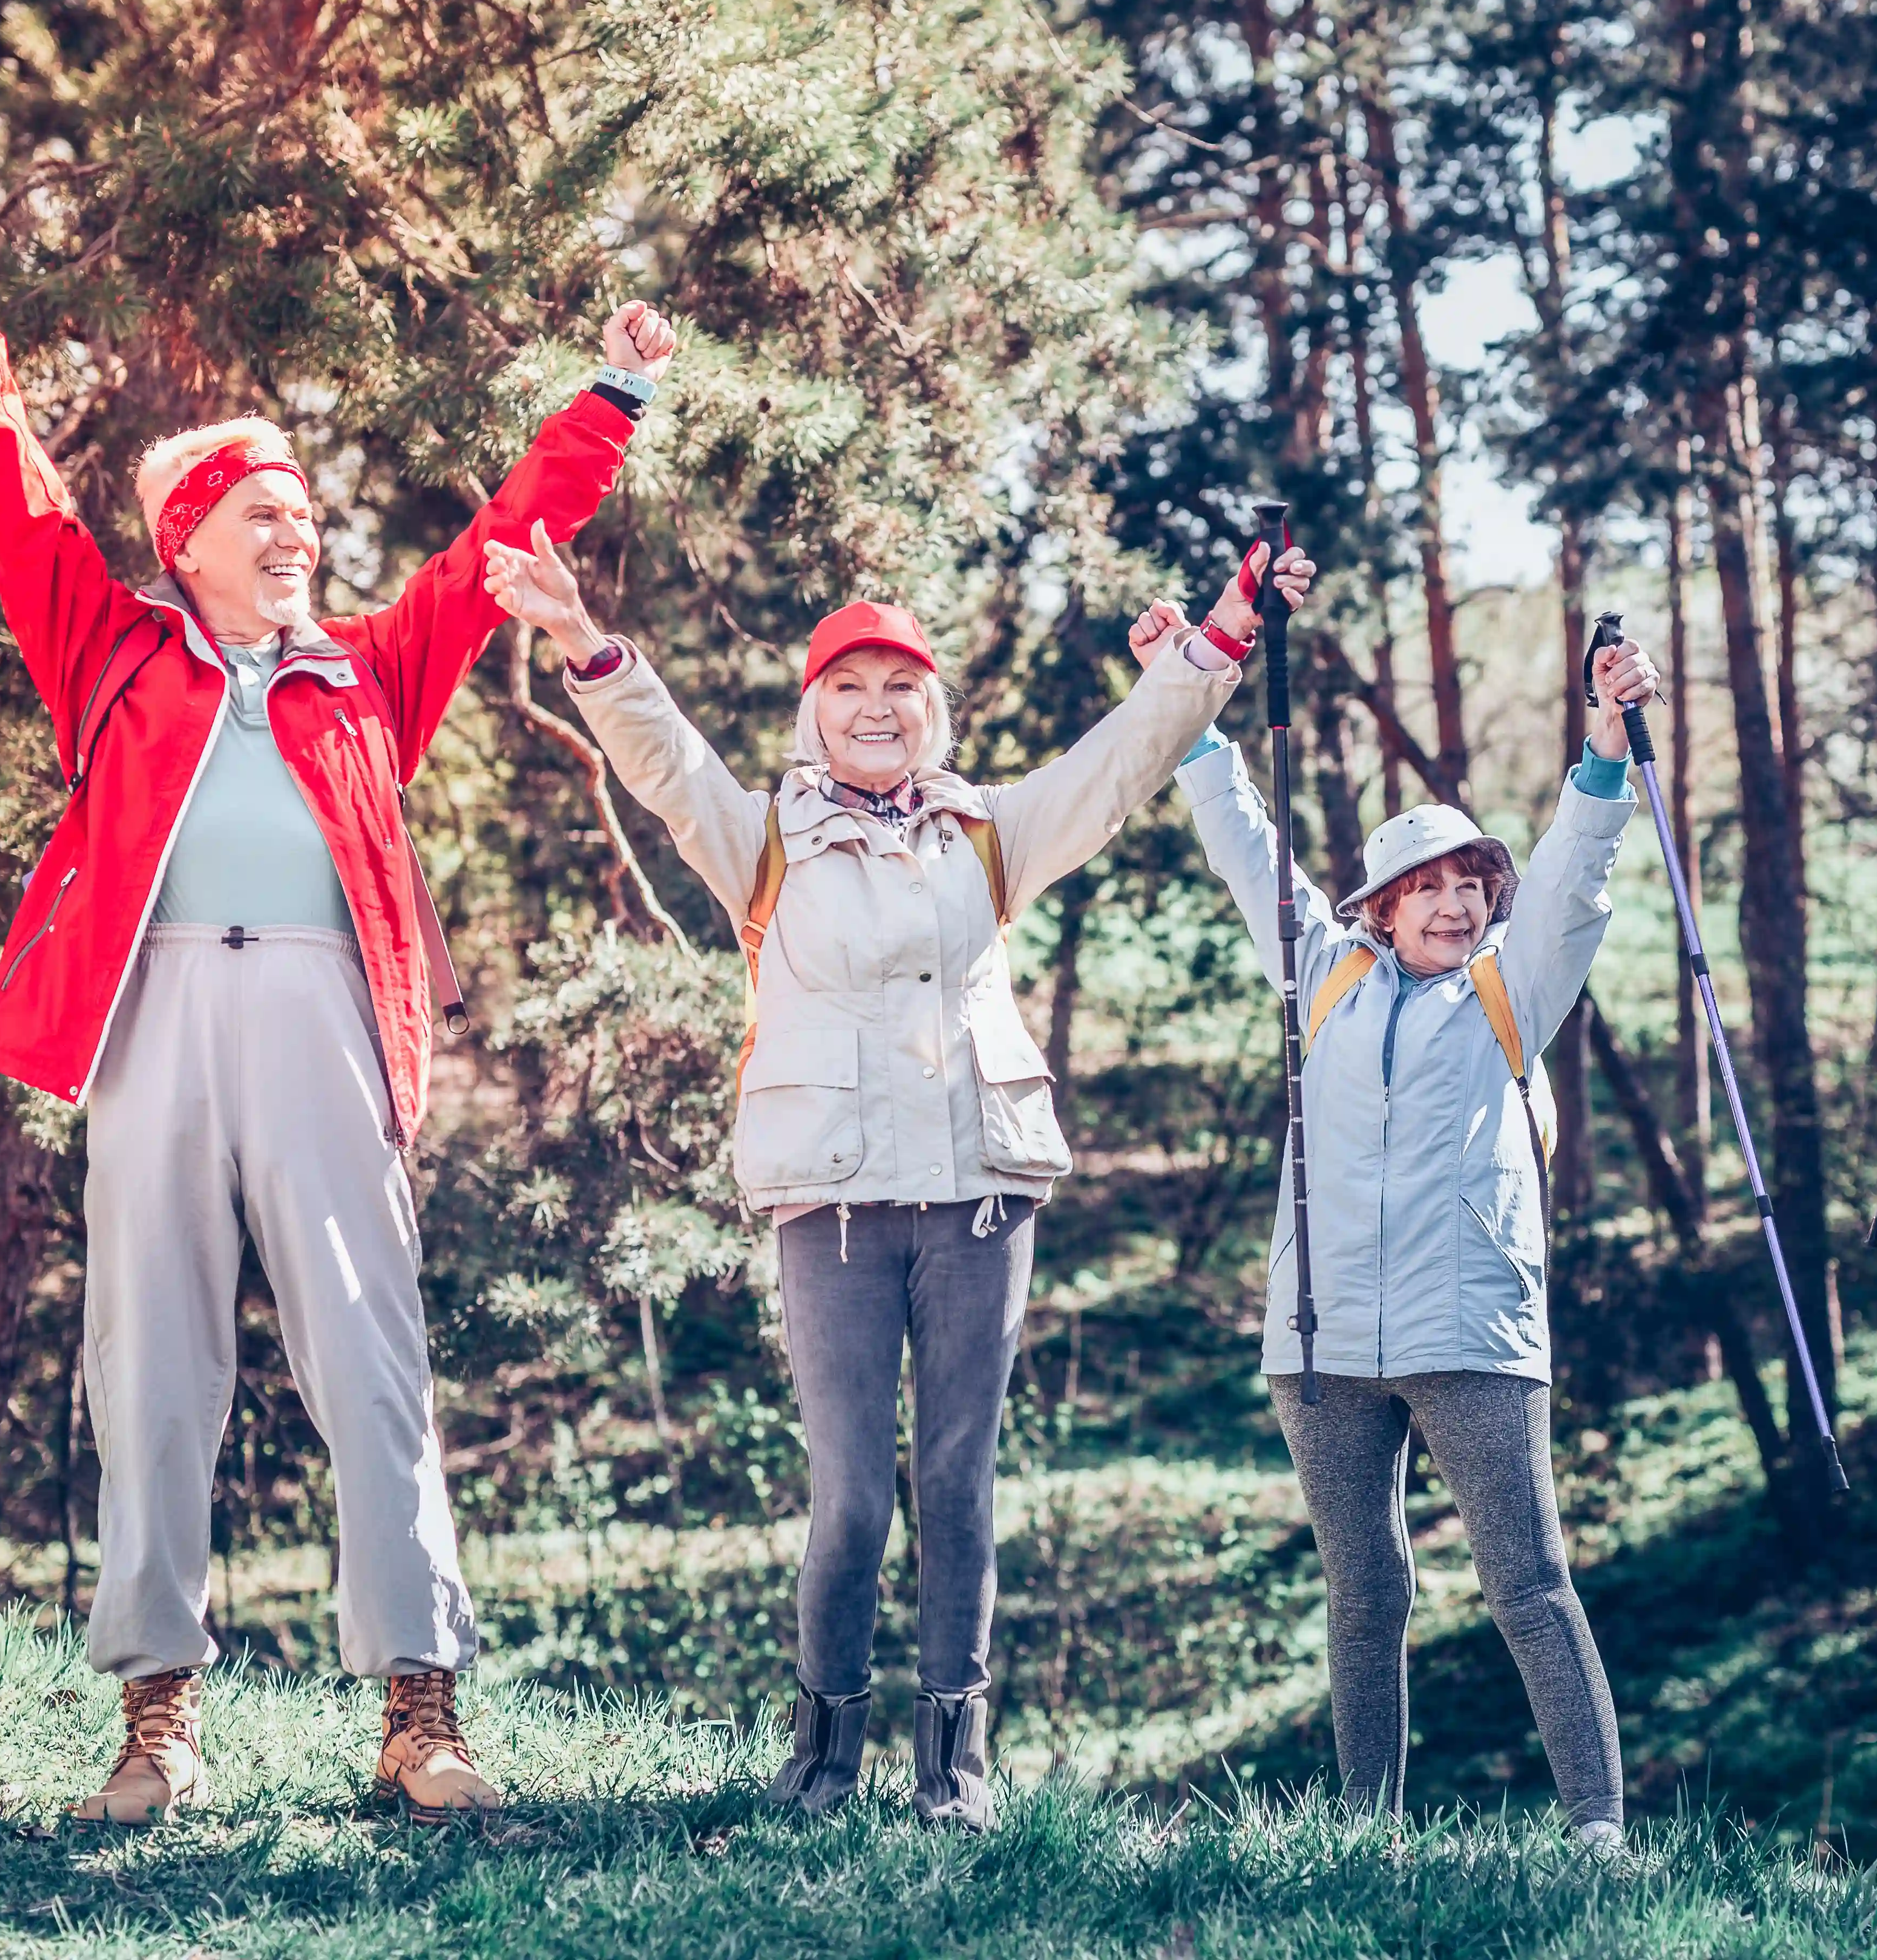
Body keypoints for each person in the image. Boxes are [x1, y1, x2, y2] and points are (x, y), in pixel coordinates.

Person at [0, 172, 676, 1827]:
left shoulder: (373, 666)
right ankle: (157, 1725)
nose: (297, 533)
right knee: (146, 1358)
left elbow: (508, 536)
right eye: (263, 515)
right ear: (189, 542)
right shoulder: (108, 649)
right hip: (150, 1018)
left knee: (370, 1353)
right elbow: (7, 490)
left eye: (306, 515)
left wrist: (612, 399)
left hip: (322, 1023)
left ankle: (420, 1715)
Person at [479, 517, 1312, 1832]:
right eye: (851, 691)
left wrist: (1226, 626)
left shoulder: (992, 832)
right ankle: (822, 1758)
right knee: (856, 1492)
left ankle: (955, 1768)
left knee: (960, 1483)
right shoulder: (758, 838)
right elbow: (658, 753)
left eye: (901, 691)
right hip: (838, 1209)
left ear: (935, 712)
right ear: (816, 717)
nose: (878, 710)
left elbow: (1123, 758)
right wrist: (580, 635)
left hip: (980, 1193)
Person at [1130, 594, 1655, 1847]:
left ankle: (1598, 1832)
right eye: (1427, 888)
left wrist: (1604, 750)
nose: (1456, 904)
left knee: (1528, 1585)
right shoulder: (1324, 970)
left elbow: (1578, 878)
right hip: (1317, 1344)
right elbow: (1244, 844)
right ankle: (1368, 1832)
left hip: (1468, 1334)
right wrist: (1186, 702)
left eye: (1473, 883)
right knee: (1364, 1594)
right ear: (1377, 905)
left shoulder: (1509, 990)